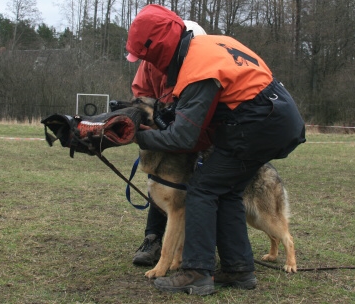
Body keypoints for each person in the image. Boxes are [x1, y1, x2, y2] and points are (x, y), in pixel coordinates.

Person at [126, 4, 306, 295]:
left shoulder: (197, 68)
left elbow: (183, 138)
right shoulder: (212, 45)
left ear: (159, 48)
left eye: (146, 56)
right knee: (228, 190)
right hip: (278, 117)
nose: (146, 63)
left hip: (259, 123)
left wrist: (141, 137)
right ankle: (238, 270)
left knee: (203, 188)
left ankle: (197, 271)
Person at [130, 20, 207, 267]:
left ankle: (193, 246)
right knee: (159, 181)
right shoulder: (150, 61)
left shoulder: (198, 63)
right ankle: (153, 238)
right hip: (162, 128)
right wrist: (148, 118)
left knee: (184, 188)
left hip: (192, 130)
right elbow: (140, 95)